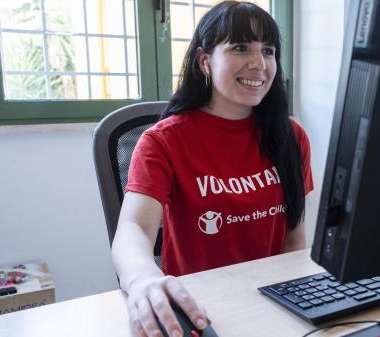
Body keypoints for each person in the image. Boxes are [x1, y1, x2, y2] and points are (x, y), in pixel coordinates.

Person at [111, 2, 313, 337]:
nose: (259, 63)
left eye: (268, 50)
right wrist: (143, 278)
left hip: (275, 307)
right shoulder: (163, 141)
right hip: (200, 311)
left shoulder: (292, 138)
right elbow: (134, 228)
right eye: (240, 47)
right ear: (205, 61)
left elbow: (294, 244)